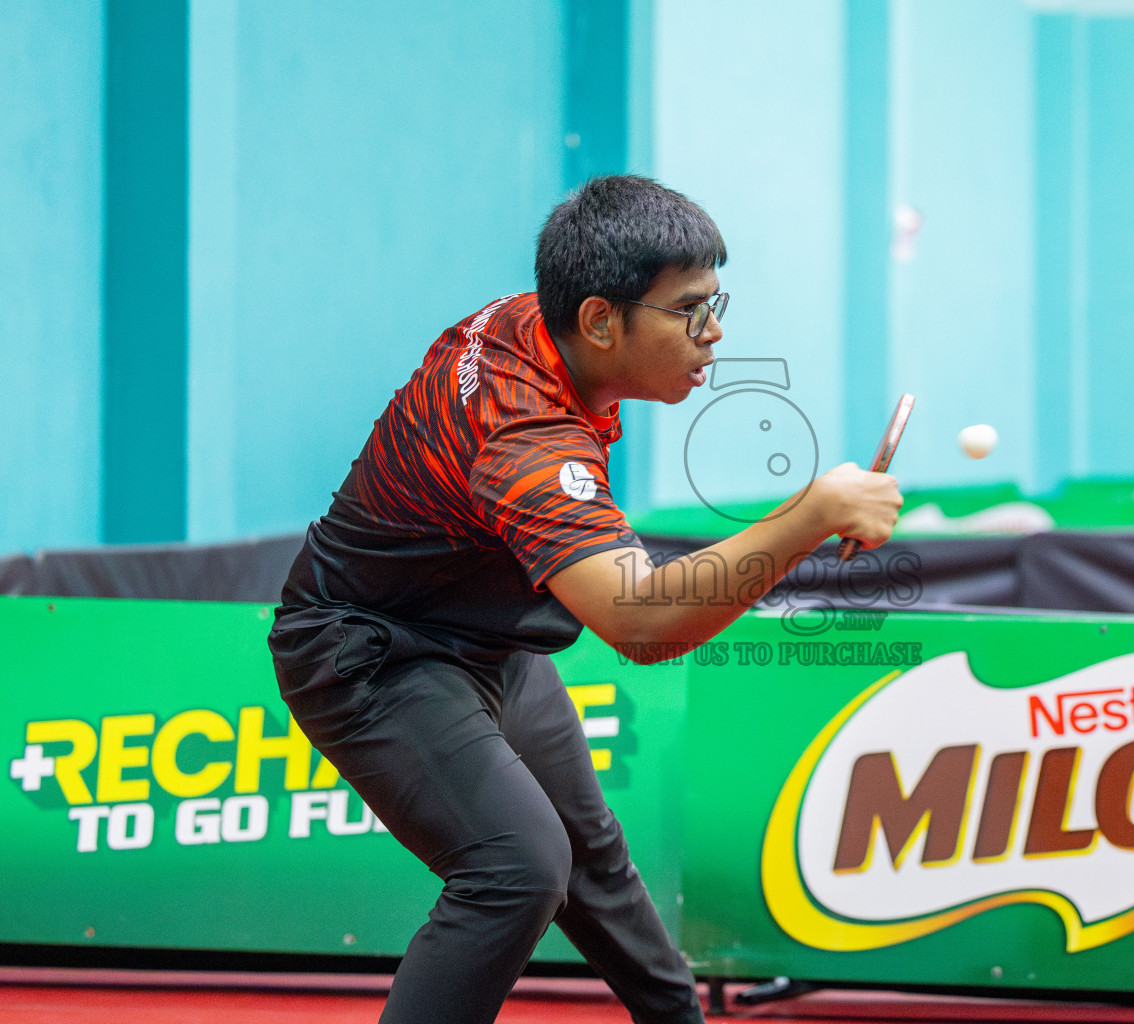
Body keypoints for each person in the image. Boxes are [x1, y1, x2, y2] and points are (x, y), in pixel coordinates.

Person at [267, 175, 903, 1024]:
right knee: (517, 867)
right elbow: (641, 622)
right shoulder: (524, 433)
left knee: (591, 856)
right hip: (368, 651)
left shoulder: (540, 322)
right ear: (601, 320)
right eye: (689, 311)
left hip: (481, 638)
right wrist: (810, 515)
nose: (713, 333)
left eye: (715, 304)